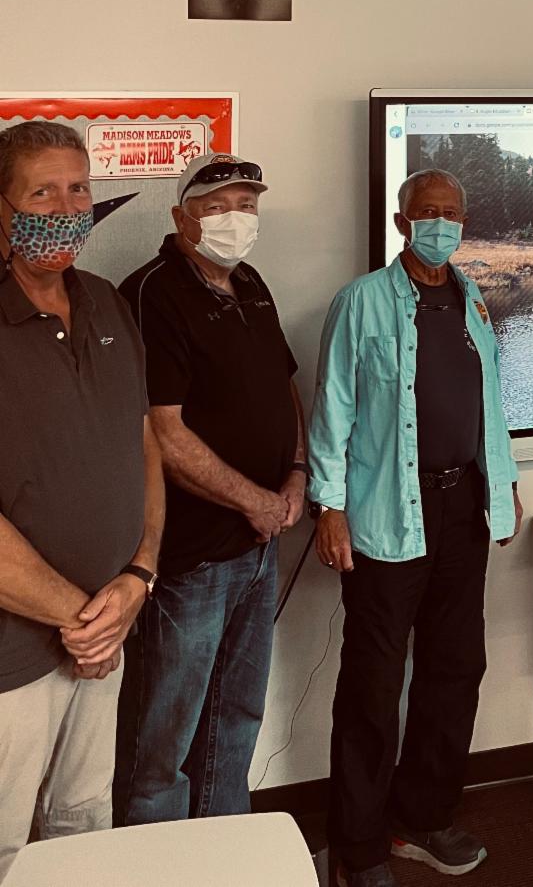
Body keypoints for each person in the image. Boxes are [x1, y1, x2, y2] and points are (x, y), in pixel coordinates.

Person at [309, 168, 522, 887]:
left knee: (455, 669)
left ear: (464, 222)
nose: (441, 222)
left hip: (463, 508)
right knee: (372, 686)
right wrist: (328, 506)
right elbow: (332, 407)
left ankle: (422, 818)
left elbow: (489, 402)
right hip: (384, 513)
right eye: (427, 211)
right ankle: (359, 849)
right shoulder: (362, 301)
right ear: (402, 222)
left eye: (451, 212)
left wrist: (505, 484)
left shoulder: (473, 301)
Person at [114, 152, 306, 826]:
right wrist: (257, 502)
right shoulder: (152, 294)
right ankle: (154, 859)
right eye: (216, 206)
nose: (235, 218)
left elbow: (283, 385)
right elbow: (161, 433)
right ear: (181, 217)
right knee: (164, 736)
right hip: (189, 560)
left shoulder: (251, 282)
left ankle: (224, 848)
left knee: (236, 716)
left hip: (258, 547)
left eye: (246, 205)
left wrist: (296, 472)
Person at [0, 121, 163, 879]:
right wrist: (84, 619)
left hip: (107, 622)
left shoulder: (104, 302)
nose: (67, 208)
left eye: (78, 189)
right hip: (18, 650)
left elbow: (142, 442)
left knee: (84, 820)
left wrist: (139, 575)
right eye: (42, 192)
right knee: (5, 838)